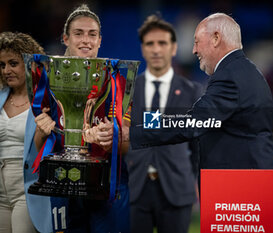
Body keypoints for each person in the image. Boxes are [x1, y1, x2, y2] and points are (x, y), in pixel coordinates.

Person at [129, 13, 273, 174]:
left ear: (216, 38)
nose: (194, 50)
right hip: (248, 180)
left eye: (196, 42)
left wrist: (136, 128)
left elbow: (193, 122)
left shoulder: (230, 77)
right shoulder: (241, 70)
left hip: (244, 185)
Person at [33, 4, 129, 232]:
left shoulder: (116, 82)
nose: (86, 40)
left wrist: (111, 136)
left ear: (100, 40)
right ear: (65, 38)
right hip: (62, 185)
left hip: (106, 187)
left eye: (92, 34)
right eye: (78, 33)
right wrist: (42, 129)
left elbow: (125, 146)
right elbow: (39, 146)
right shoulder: (48, 80)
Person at [124, 15, 201, 233]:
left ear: (174, 48)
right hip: (136, 187)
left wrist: (191, 176)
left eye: (162, 43)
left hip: (177, 188)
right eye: (150, 43)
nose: (156, 49)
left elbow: (197, 146)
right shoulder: (127, 90)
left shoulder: (192, 91)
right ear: (142, 49)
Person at [0, 32, 49, 233]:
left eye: (13, 63)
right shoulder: (0, 96)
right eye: (2, 65)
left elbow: (45, 149)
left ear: (30, 63)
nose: (6, 70)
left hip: (27, 190)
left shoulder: (44, 100)